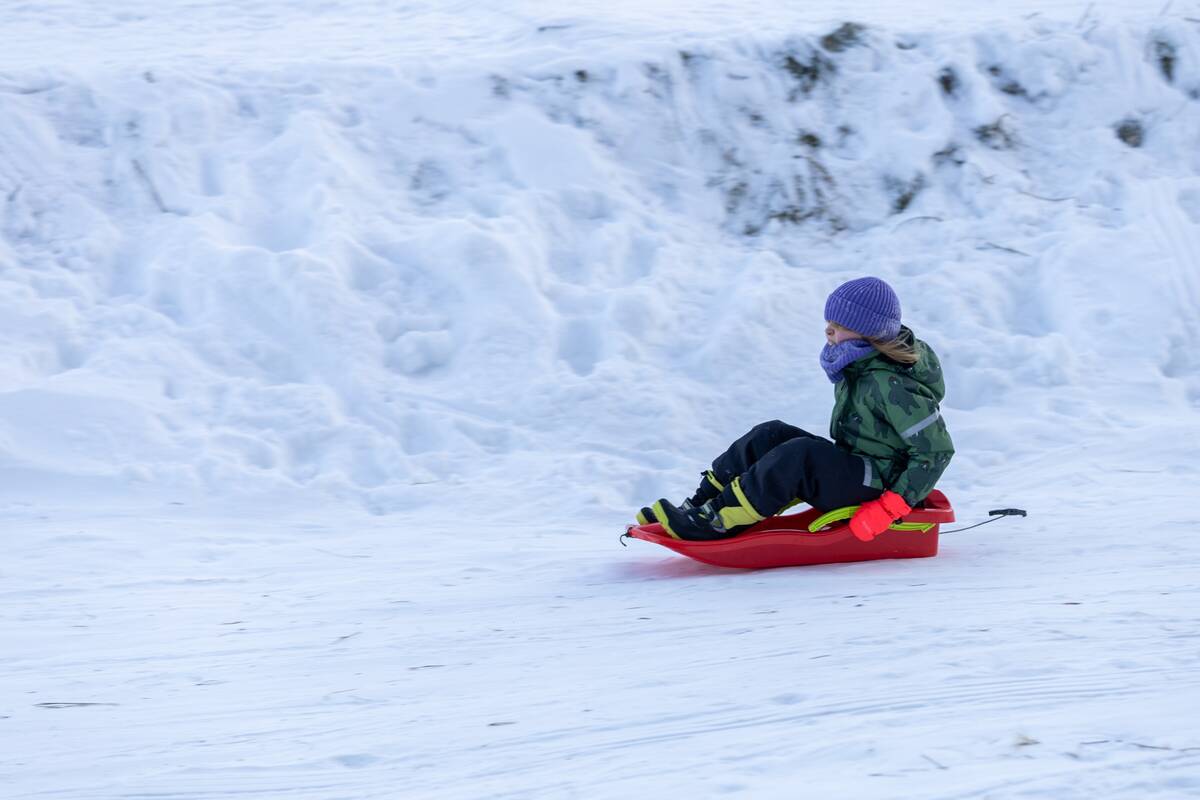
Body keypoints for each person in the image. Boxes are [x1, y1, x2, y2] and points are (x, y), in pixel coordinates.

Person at [638, 276, 954, 542]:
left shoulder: (892, 385)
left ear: (869, 333)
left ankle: (718, 520)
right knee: (771, 434)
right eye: (829, 323)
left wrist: (888, 509)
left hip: (881, 486)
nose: (829, 331)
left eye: (840, 325)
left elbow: (935, 452)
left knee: (800, 457)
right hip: (861, 467)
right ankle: (699, 506)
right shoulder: (859, 365)